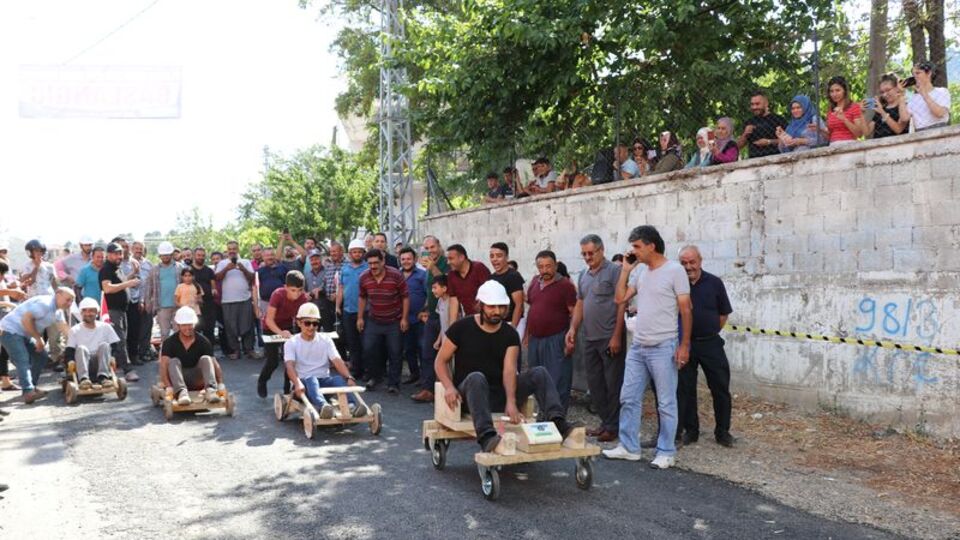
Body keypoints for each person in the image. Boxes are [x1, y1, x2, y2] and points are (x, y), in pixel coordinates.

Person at [434, 280, 580, 453]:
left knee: (539, 373)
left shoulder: (510, 333)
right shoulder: (461, 328)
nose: (497, 312)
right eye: (492, 307)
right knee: (476, 377)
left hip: (500, 394)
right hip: (472, 396)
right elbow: (440, 361)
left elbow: (509, 369)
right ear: (480, 305)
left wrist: (511, 402)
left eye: (502, 307)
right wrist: (449, 387)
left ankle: (558, 422)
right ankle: (487, 436)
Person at [603, 225, 692, 470]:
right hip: (639, 346)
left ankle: (666, 451)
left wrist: (684, 345)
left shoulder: (675, 271)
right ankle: (629, 447)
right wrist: (625, 270)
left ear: (651, 245)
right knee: (628, 397)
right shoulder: (641, 273)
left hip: (664, 346)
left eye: (637, 247)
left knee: (665, 402)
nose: (634, 252)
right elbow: (620, 299)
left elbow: (686, 309)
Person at [566, 234, 626, 443]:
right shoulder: (583, 274)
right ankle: (605, 423)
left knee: (612, 384)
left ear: (601, 250)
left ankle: (614, 426)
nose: (588, 257)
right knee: (596, 384)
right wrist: (573, 328)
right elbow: (580, 303)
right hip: (590, 338)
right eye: (584, 254)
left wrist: (617, 335)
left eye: (591, 253)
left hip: (609, 337)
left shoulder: (615, 271)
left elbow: (621, 304)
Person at [677, 246, 735, 447]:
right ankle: (691, 431)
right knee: (685, 389)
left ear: (700, 260)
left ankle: (723, 432)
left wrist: (709, 331)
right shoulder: (677, 285)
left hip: (711, 344)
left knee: (720, 388)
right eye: (684, 263)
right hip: (685, 345)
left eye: (692, 262)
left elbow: (723, 314)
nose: (688, 267)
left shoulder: (714, 283)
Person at [283, 303, 366, 418]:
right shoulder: (291, 342)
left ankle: (352, 406)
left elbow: (337, 360)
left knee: (337, 379)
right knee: (312, 379)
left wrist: (348, 377)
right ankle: (323, 407)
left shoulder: (326, 340)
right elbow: (290, 366)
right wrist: (297, 384)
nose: (311, 327)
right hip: (303, 385)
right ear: (299, 322)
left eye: (315, 323)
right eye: (307, 323)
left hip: (323, 383)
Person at [0, 287, 75, 403]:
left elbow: (65, 329)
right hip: (10, 330)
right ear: (58, 295)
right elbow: (26, 319)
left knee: (42, 356)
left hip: (24, 334)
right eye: (68, 299)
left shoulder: (58, 312)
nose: (70, 303)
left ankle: (31, 387)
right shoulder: (45, 304)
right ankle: (28, 392)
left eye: (72, 301)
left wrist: (78, 342)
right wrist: (38, 338)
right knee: (22, 358)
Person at [524, 250, 577, 411]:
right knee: (537, 378)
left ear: (555, 265)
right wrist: (527, 335)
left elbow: (574, 311)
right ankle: (543, 413)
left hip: (556, 338)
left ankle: (558, 416)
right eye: (541, 267)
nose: (545, 270)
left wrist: (571, 335)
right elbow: (532, 308)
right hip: (536, 339)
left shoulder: (565, 285)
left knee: (558, 378)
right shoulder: (534, 282)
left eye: (548, 266)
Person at [357, 248, 409, 393]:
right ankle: (375, 377)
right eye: (370, 263)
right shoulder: (364, 277)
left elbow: (405, 297)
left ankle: (394, 383)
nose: (373, 266)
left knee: (395, 352)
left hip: (394, 321)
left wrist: (404, 318)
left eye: (376, 263)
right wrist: (360, 317)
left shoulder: (396, 275)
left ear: (383, 261)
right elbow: (362, 297)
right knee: (368, 349)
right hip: (374, 320)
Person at [159, 306, 225, 406]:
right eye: (184, 325)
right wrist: (168, 386)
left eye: (190, 325)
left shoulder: (203, 341)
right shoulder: (169, 342)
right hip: (178, 378)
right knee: (173, 361)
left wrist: (220, 384)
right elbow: (163, 366)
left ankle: (211, 390)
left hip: (197, 378)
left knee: (206, 359)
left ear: (194, 324)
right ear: (178, 325)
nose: (187, 328)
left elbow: (214, 363)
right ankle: (182, 393)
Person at [258, 271, 309, 398]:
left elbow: (301, 318)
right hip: (270, 327)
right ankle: (262, 381)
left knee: (290, 360)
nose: (296, 294)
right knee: (273, 361)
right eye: (293, 290)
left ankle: (287, 389)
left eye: (299, 290)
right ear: (285, 287)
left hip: (287, 326)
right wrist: (280, 333)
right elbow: (269, 320)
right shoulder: (278, 294)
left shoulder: (303, 298)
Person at [412, 236, 449, 402]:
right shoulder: (426, 266)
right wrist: (425, 308)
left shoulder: (445, 263)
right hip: (432, 315)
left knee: (446, 355)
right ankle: (428, 389)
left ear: (439, 246)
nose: (430, 251)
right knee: (427, 352)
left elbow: (446, 284)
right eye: (426, 248)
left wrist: (433, 267)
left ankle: (446, 389)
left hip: (447, 315)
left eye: (432, 247)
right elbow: (431, 290)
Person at [100, 242, 142, 382]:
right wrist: (128, 284)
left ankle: (110, 369)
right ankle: (127, 370)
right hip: (113, 311)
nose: (119, 256)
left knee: (120, 339)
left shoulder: (117, 268)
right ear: (109, 254)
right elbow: (107, 288)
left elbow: (121, 282)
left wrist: (132, 275)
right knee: (120, 340)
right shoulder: (106, 269)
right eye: (116, 253)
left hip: (122, 310)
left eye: (120, 253)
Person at [214, 240, 258, 360]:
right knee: (230, 327)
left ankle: (249, 349)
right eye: (230, 249)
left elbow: (252, 277)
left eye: (234, 248)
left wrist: (243, 269)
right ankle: (235, 350)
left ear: (238, 249)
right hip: (228, 300)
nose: (232, 251)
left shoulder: (245, 262)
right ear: (227, 250)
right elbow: (217, 278)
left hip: (245, 298)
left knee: (248, 325)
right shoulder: (223, 263)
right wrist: (227, 269)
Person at [64, 297, 120, 388]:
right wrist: (70, 361)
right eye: (84, 311)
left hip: (101, 363)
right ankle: (84, 379)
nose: (88, 313)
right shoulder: (75, 330)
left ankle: (103, 377)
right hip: (82, 363)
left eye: (91, 311)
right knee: (82, 348)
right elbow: (69, 350)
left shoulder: (106, 327)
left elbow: (115, 345)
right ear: (81, 313)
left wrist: (113, 357)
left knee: (104, 345)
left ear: (97, 312)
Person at [337, 239, 368, 380]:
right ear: (350, 254)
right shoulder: (345, 269)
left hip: (365, 311)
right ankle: (356, 370)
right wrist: (338, 305)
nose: (356, 254)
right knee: (352, 342)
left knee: (366, 342)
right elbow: (341, 288)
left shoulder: (368, 268)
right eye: (354, 252)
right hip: (348, 311)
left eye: (359, 252)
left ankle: (368, 370)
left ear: (363, 253)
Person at [399, 247, 427, 385]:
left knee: (422, 348)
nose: (406, 261)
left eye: (409, 259)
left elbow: (429, 295)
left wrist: (424, 310)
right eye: (403, 259)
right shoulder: (396, 275)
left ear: (415, 259)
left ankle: (424, 377)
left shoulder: (423, 275)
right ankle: (414, 374)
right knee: (408, 348)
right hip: (403, 319)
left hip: (420, 319)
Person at [445, 244, 491, 327]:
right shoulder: (451, 275)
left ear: (462, 257)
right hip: (470, 318)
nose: (448, 262)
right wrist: (451, 328)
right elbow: (453, 302)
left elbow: (490, 293)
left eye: (451, 259)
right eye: (447, 259)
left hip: (487, 318)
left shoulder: (479, 268)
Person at [145, 241, 181, 343]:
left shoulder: (179, 267)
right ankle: (166, 356)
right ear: (160, 256)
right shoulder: (154, 269)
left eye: (168, 255)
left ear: (171, 254)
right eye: (163, 255)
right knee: (164, 334)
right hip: (162, 306)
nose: (165, 257)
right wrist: (147, 303)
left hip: (178, 305)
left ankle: (179, 356)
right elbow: (149, 287)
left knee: (178, 332)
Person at [900, 61, 951, 132]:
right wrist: (901, 95)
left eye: (918, 73)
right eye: (913, 74)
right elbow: (904, 118)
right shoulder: (913, 98)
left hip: (940, 131)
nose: (915, 77)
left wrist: (924, 94)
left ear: (929, 73)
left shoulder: (942, 91)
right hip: (920, 134)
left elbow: (940, 113)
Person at [737, 90, 788, 158]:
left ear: (766, 103)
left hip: (775, 159)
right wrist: (745, 134)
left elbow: (788, 141)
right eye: (752, 104)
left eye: (757, 104)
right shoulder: (749, 122)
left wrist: (769, 142)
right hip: (753, 161)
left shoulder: (778, 119)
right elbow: (738, 147)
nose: (754, 107)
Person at [488, 242, 524, 328]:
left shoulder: (513, 276)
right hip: (497, 323)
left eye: (499, 256)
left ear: (507, 257)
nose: (495, 259)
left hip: (513, 323)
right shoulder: (491, 278)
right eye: (492, 256)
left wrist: (513, 328)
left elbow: (519, 305)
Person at [821, 76, 866, 145]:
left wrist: (844, 119)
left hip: (849, 146)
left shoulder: (854, 107)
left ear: (844, 91)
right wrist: (820, 129)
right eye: (831, 91)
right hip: (833, 147)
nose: (834, 94)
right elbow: (830, 136)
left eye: (838, 90)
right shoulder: (830, 110)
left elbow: (859, 134)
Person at [129, 242, 154, 362]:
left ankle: (144, 351)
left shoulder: (149, 264)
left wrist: (145, 300)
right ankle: (132, 354)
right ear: (132, 249)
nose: (139, 250)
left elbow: (151, 283)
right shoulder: (127, 263)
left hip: (147, 299)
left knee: (146, 327)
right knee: (133, 328)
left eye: (141, 249)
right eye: (136, 248)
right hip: (131, 300)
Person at [189, 247, 217, 344]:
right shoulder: (189, 270)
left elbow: (213, 283)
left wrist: (214, 290)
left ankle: (210, 354)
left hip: (209, 304)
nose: (201, 257)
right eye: (199, 255)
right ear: (194, 256)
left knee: (209, 330)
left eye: (203, 255)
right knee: (195, 329)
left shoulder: (209, 270)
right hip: (194, 305)